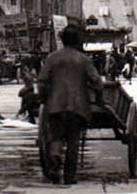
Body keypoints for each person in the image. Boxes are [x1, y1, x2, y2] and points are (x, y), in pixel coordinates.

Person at [38, 25, 106, 184]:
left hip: (55, 106)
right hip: (78, 107)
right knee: (73, 141)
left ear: (62, 40)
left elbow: (41, 81)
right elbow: (97, 82)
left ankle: (55, 158)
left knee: (56, 137)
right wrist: (99, 98)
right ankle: (69, 176)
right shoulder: (84, 59)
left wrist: (43, 98)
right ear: (77, 41)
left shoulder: (52, 58)